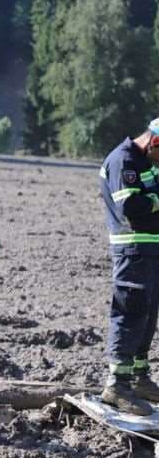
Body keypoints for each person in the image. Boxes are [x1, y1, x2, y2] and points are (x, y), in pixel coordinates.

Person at [99, 119, 159, 415]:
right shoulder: (123, 160)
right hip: (132, 249)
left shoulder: (147, 161)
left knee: (148, 315)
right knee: (130, 312)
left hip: (151, 248)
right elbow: (129, 206)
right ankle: (117, 386)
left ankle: (138, 377)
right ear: (154, 142)